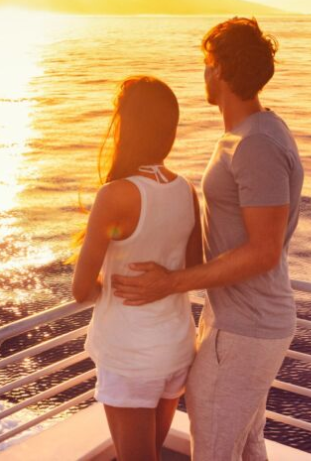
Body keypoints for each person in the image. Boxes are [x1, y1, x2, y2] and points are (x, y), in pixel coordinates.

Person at [112, 17, 303, 461]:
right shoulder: (250, 134)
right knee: (247, 446)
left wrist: (170, 282)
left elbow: (263, 250)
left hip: (246, 329)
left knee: (215, 450)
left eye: (206, 64)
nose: (203, 74)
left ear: (218, 70)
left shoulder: (255, 144)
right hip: (235, 320)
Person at [71, 76, 203, 461]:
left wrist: (107, 283)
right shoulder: (185, 190)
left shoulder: (114, 196)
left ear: (126, 126)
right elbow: (192, 267)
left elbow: (81, 290)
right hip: (176, 347)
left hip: (131, 355)